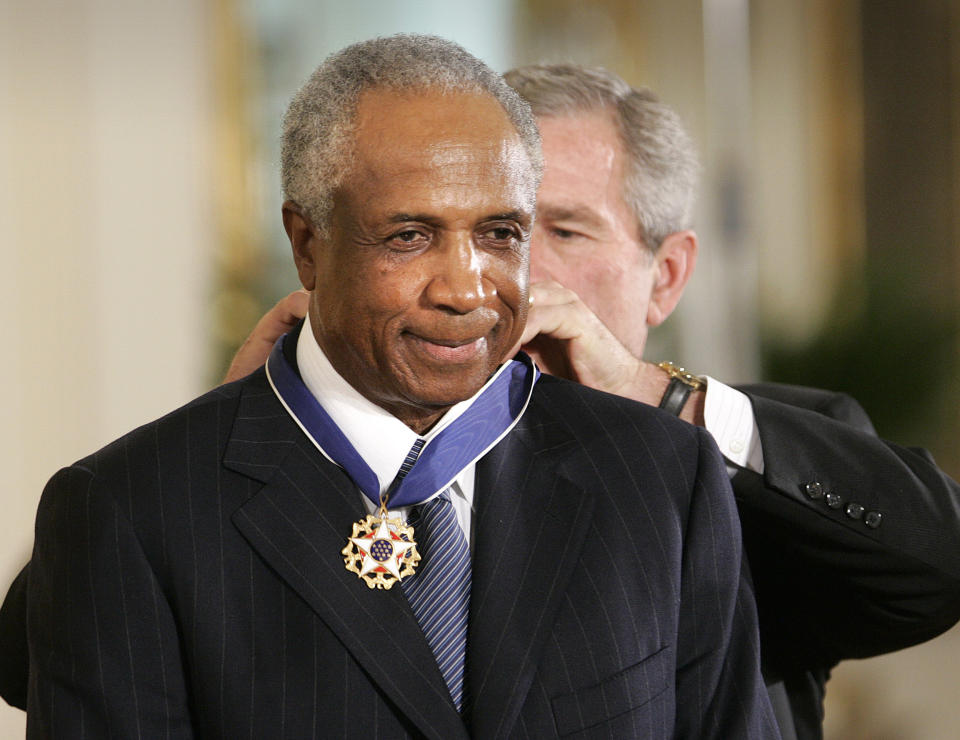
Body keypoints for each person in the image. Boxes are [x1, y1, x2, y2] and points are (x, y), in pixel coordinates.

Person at [12, 36, 778, 738]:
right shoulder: (133, 509)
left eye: (500, 234)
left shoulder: (662, 478)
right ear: (307, 244)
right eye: (410, 236)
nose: (465, 289)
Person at [207, 63, 960, 740]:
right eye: (497, 226)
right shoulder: (313, 445)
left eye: (562, 229)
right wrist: (242, 436)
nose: (506, 272)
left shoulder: (720, 469)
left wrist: (649, 392)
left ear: (666, 276)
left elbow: (937, 566)